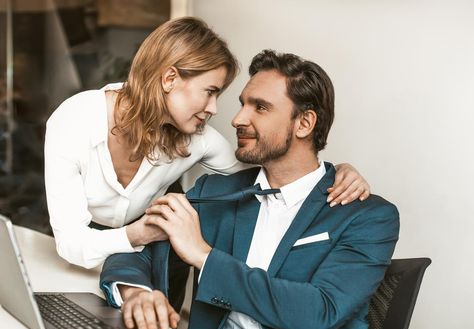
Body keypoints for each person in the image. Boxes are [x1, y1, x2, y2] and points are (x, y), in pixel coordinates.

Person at [100, 50, 399, 329]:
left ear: (305, 123)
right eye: (244, 104)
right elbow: (136, 245)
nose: (237, 118)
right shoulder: (214, 193)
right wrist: (135, 292)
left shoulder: (368, 216)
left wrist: (204, 257)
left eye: (260, 107)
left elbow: (319, 313)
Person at [44, 17, 370, 269]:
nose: (215, 109)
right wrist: (138, 233)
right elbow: (71, 243)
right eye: (210, 91)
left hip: (146, 263)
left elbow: (271, 167)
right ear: (170, 78)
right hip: (78, 259)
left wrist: (337, 171)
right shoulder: (74, 122)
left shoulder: (197, 139)